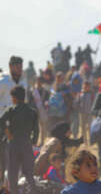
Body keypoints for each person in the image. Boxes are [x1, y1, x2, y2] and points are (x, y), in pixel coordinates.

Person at [0, 86, 38, 194]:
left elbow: (1, 121)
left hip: (13, 144)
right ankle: (33, 191)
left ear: (15, 98)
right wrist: (32, 141)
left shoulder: (11, 110)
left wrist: (8, 134)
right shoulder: (32, 111)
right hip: (26, 144)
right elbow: (36, 131)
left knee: (13, 174)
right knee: (29, 174)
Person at [0, 56, 26, 185]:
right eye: (17, 66)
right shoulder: (3, 81)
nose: (20, 69)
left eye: (21, 66)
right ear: (10, 67)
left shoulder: (23, 82)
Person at [28, 78, 50, 146]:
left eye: (40, 81)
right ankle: (34, 142)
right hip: (34, 111)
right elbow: (29, 101)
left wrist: (46, 105)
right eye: (38, 81)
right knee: (34, 128)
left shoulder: (45, 91)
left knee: (43, 127)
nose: (39, 82)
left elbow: (47, 100)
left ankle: (42, 141)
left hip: (42, 110)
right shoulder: (32, 91)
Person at [76, 81, 94, 145]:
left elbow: (94, 102)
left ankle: (90, 140)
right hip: (82, 112)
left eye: (87, 86)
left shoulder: (91, 93)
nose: (86, 87)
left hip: (89, 112)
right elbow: (77, 102)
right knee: (83, 127)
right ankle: (84, 141)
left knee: (89, 127)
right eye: (85, 86)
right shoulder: (80, 93)